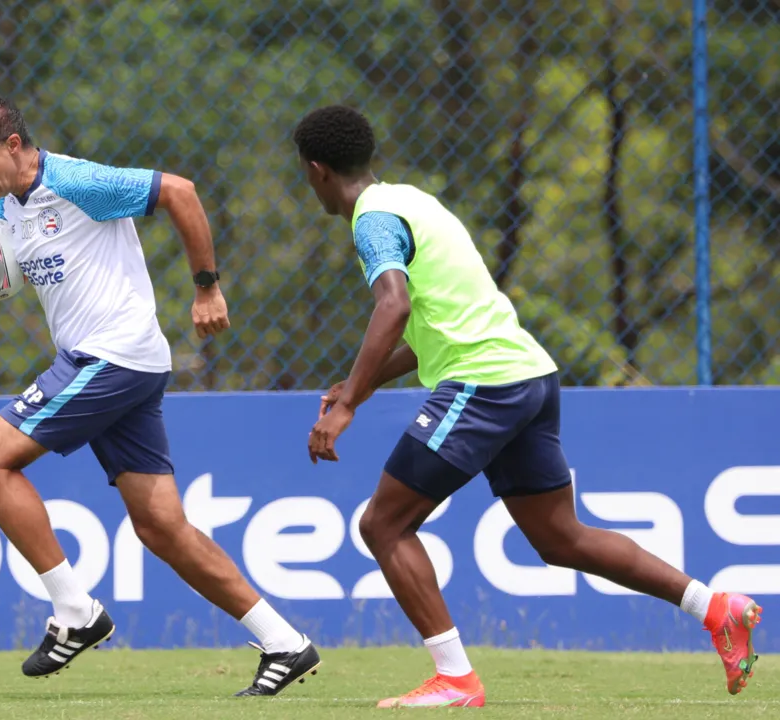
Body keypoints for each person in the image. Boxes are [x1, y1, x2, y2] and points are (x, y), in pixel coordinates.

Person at [292, 104, 761, 708]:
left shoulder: (372, 221)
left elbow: (394, 307)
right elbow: (436, 325)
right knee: (560, 538)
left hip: (483, 385)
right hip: (529, 377)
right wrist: (362, 382)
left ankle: (456, 679)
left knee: (382, 524)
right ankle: (716, 607)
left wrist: (347, 403)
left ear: (318, 170)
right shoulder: (412, 201)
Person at [0, 92, 320, 696]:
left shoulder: (77, 180)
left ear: (13, 145)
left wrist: (206, 289)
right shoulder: (9, 209)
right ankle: (285, 643)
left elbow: (181, 192)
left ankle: (76, 613)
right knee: (161, 526)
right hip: (121, 364)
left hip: (110, 356)